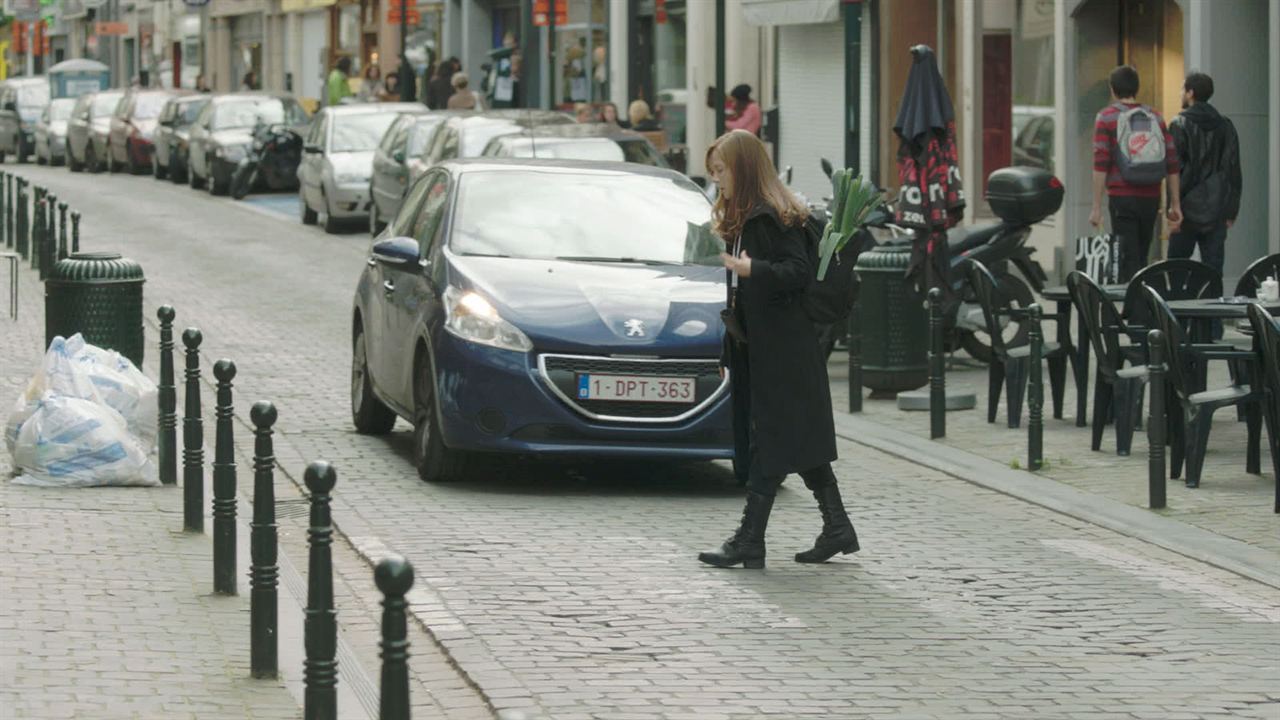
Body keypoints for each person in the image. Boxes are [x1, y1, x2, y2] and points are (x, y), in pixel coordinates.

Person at [697, 129, 860, 570]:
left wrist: (754, 268)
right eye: (713, 173)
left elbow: (797, 272)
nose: (717, 180)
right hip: (773, 348)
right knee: (797, 441)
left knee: (770, 442)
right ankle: (837, 526)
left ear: (744, 169)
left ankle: (749, 540)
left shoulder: (768, 216)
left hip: (783, 351)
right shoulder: (753, 213)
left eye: (721, 171)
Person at [1089, 65, 1182, 281]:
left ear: (1112, 89)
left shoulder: (1106, 117)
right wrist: (1174, 203)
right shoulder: (1155, 117)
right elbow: (1172, 162)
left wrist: (1096, 206)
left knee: (1126, 258)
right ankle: (1142, 307)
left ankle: (1135, 312)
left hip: (1122, 198)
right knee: (1142, 255)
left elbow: (1100, 162)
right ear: (1137, 88)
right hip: (1151, 197)